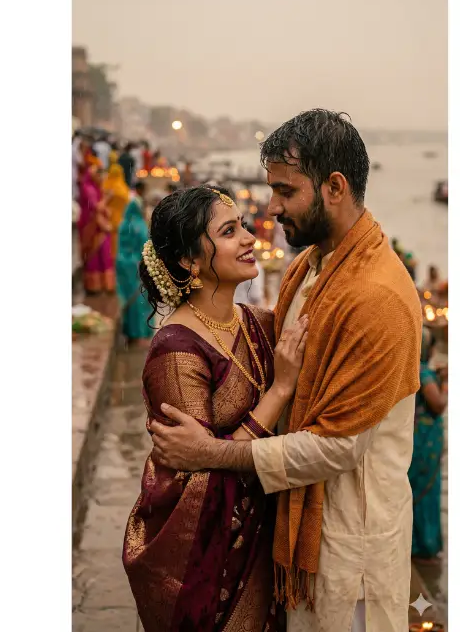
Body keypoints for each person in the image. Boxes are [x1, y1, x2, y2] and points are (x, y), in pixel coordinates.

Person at [148, 109, 422, 631]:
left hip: (349, 552)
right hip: (302, 541)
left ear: (334, 187)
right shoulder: (311, 265)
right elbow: (268, 338)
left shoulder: (377, 296)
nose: (270, 209)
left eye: (285, 191)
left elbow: (338, 446)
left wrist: (211, 452)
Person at [122, 185, 310, 632]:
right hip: (209, 560)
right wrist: (280, 389)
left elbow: (210, 450)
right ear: (190, 261)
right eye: (229, 231)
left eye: (242, 225)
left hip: (265, 544)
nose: (248, 238)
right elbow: (198, 475)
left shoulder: (259, 323)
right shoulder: (176, 352)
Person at [409, 327, 447, 564]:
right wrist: (446, 382)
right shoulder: (425, 374)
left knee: (416, 488)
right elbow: (438, 405)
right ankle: (424, 545)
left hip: (418, 437)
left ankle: (415, 542)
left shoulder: (415, 370)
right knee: (426, 490)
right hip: (424, 440)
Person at [116, 181, 153, 347]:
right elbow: (145, 249)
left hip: (124, 266)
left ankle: (130, 333)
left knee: (127, 299)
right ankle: (139, 335)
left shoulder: (124, 225)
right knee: (139, 301)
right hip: (138, 267)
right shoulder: (139, 227)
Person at [77, 160, 114, 294]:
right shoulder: (88, 188)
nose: (100, 178)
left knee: (103, 254)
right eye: (98, 175)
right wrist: (108, 198)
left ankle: (105, 285)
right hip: (91, 226)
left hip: (100, 225)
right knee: (93, 256)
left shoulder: (96, 187)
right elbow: (96, 207)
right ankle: (93, 287)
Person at [102, 152, 131, 263]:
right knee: (117, 243)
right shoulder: (122, 188)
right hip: (121, 219)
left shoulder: (106, 185)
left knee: (109, 244)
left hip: (108, 219)